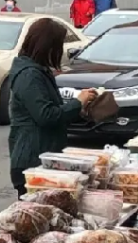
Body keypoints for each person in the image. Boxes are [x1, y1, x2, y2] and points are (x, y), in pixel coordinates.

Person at [7, 18, 97, 197]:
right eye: (58, 45)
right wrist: (78, 102)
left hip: (45, 156)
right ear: (47, 46)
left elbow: (55, 112)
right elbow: (46, 115)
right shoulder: (29, 75)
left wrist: (79, 109)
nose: (60, 51)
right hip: (32, 161)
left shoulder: (39, 71)